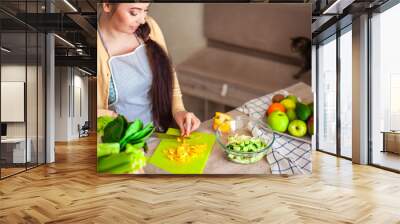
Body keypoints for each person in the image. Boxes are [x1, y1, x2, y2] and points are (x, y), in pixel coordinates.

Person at [97, 3, 201, 136]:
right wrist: (106, 115)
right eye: (134, 13)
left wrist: (179, 110)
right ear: (107, 5)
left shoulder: (151, 27)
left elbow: (168, 73)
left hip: (158, 133)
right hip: (119, 144)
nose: (142, 20)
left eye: (145, 10)